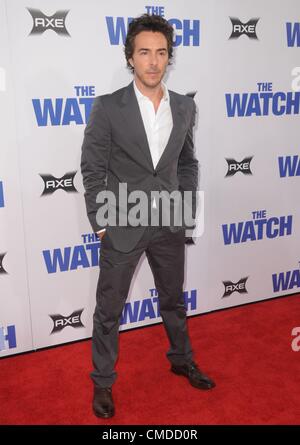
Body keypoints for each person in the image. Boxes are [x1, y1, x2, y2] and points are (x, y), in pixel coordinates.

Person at [81, 13, 215, 419]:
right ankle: (103, 383)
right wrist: (103, 222)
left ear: (169, 58)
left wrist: (185, 201)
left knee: (173, 300)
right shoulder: (107, 108)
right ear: (130, 57)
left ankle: (180, 358)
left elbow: (187, 161)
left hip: (169, 223)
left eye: (161, 53)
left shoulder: (186, 107)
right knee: (109, 308)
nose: (153, 61)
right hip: (122, 224)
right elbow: (92, 168)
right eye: (144, 53)